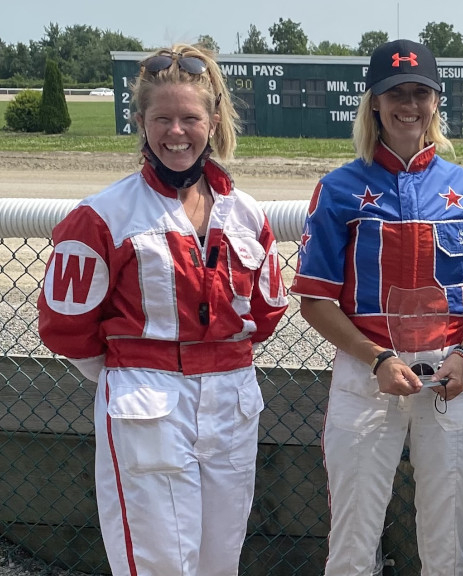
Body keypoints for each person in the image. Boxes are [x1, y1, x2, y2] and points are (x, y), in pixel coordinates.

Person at [36, 43, 289, 576]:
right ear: (140, 122)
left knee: (221, 562)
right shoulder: (101, 216)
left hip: (232, 400)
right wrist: (128, 377)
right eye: (162, 119)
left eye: (190, 118)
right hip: (145, 402)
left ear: (214, 121)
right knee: (158, 566)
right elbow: (65, 328)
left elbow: (265, 315)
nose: (177, 132)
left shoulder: (247, 213)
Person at [289, 39, 463, 575]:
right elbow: (315, 300)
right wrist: (377, 359)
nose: (407, 104)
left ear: (435, 102)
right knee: (353, 541)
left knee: (446, 539)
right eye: (395, 93)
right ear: (373, 103)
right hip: (366, 376)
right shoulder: (339, 188)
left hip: (449, 376)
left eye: (419, 92)